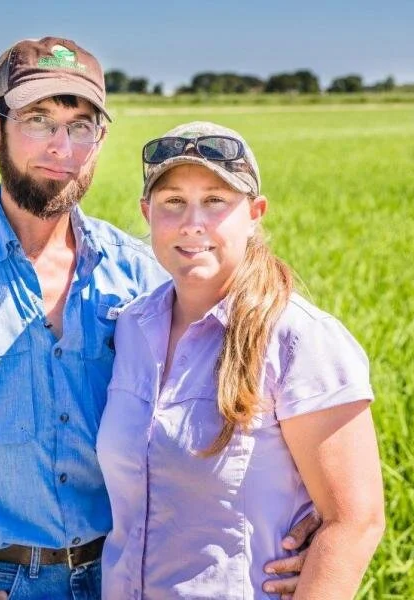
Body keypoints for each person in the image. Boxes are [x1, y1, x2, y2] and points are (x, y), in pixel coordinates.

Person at [0, 37, 317, 600]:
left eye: (81, 126)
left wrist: (307, 520)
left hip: (128, 572)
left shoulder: (145, 274)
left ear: (99, 139)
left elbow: (239, 403)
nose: (62, 146)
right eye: (38, 120)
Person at [97, 122, 386, 599]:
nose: (192, 223)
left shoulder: (297, 340)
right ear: (147, 212)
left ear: (254, 213)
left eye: (215, 200)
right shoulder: (130, 328)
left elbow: (354, 521)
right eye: (173, 201)